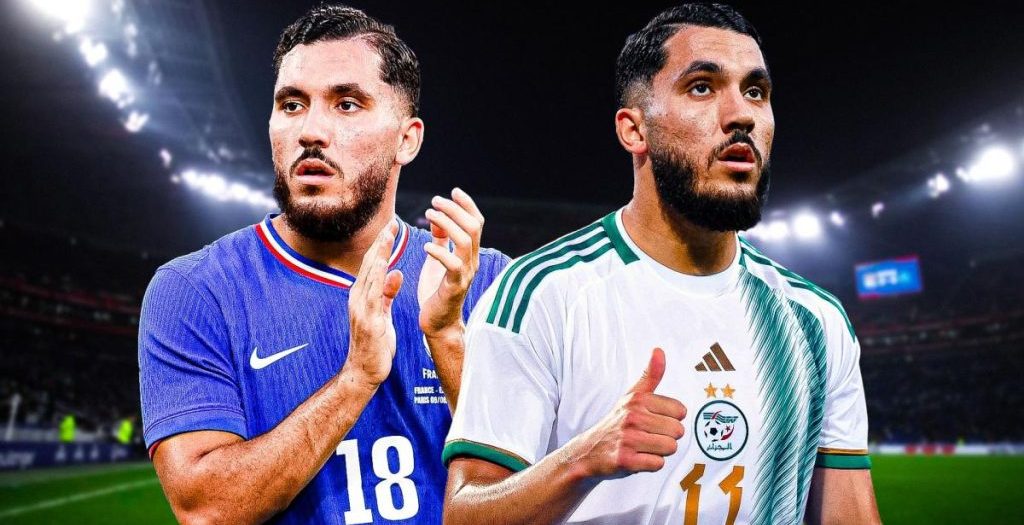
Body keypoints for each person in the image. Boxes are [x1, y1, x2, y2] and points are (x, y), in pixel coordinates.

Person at [442, 4, 881, 524]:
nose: (741, 114)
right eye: (702, 87)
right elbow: (464, 514)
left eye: (755, 91)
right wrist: (580, 461)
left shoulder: (814, 320)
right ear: (634, 130)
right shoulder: (541, 293)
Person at [138, 4, 506, 524]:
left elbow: (536, 490)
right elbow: (206, 509)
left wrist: (447, 339)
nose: (311, 130)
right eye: (292, 105)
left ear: (407, 139)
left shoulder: (487, 281)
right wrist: (356, 380)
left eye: (347, 104)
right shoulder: (197, 291)